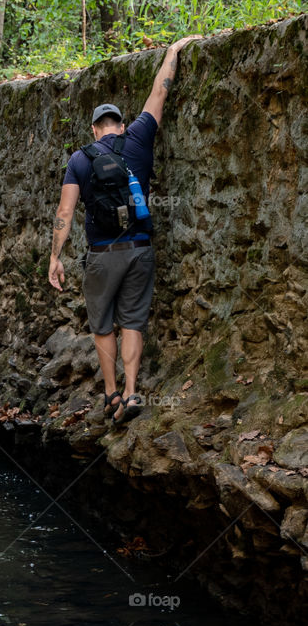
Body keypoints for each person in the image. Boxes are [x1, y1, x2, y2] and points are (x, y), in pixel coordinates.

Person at [48, 36, 200, 426]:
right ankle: (133, 392)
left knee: (102, 324)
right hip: (140, 250)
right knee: (133, 321)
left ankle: (111, 392)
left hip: (101, 255)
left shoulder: (80, 159)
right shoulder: (139, 136)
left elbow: (65, 211)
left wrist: (55, 256)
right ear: (120, 122)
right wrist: (173, 52)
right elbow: (159, 91)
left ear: (95, 129)